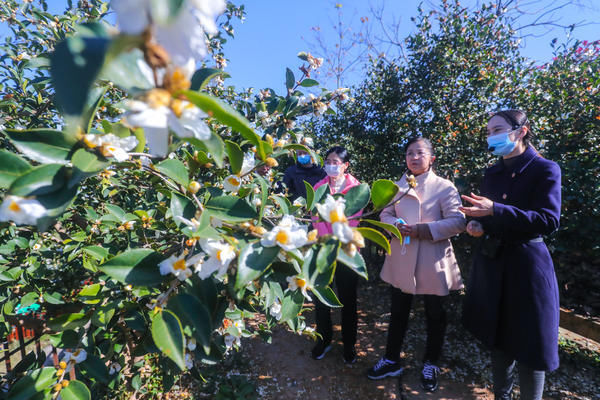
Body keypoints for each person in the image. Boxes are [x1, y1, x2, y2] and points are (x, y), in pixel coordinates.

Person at [460, 110, 561, 400]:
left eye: (498, 129)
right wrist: (477, 223)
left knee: (531, 346)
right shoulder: (492, 173)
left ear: (521, 131)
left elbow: (548, 220)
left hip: (528, 268)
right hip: (494, 264)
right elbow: (489, 216)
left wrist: (495, 210)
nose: (492, 136)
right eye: (489, 131)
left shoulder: (545, 169)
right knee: (499, 340)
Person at [367, 137, 466, 393]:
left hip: (432, 260)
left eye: (419, 153)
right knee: (398, 311)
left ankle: (431, 363)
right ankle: (391, 360)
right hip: (402, 256)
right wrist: (395, 225)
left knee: (435, 315)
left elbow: (458, 222)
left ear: (431, 159)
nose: (413, 157)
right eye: (409, 153)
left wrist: (423, 230)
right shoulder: (395, 187)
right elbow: (385, 214)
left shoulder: (445, 187)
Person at [311, 146, 363, 364]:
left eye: (336, 161)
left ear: (346, 165)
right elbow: (315, 218)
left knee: (348, 300)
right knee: (321, 298)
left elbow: (353, 220)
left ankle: (349, 344)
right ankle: (324, 339)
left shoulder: (357, 188)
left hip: (347, 253)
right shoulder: (318, 187)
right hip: (323, 250)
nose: (331, 165)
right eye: (328, 161)